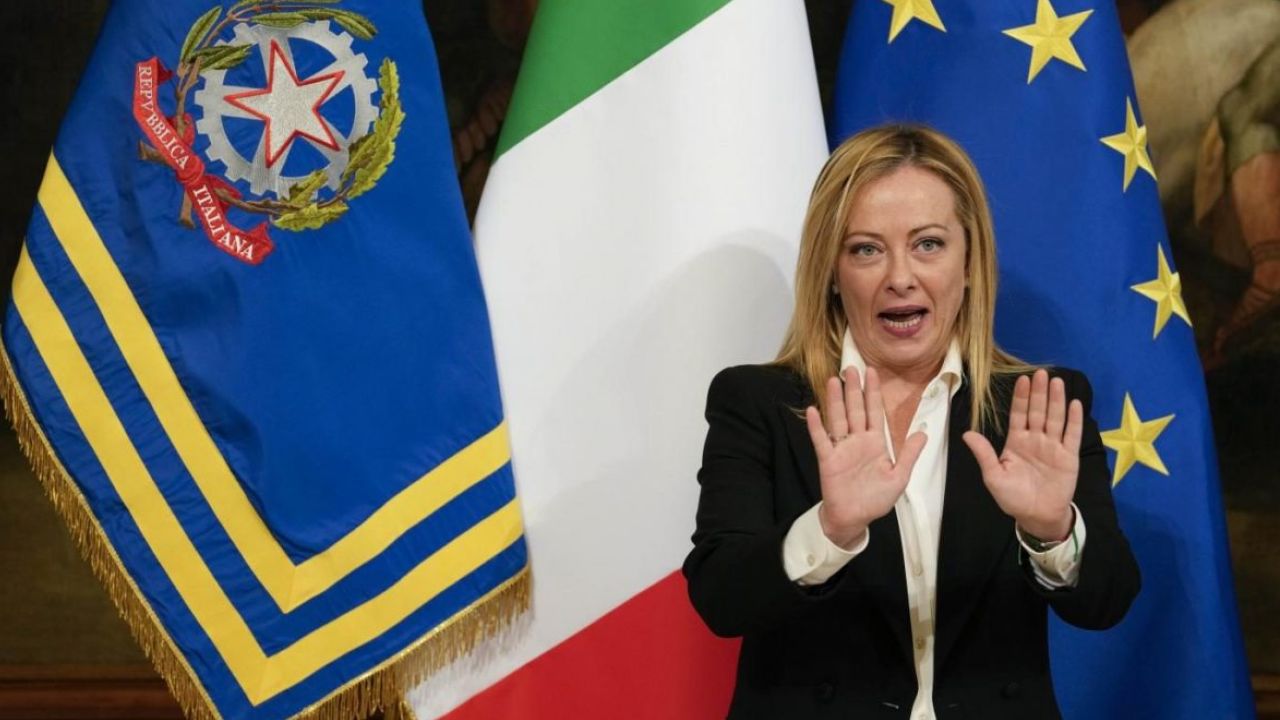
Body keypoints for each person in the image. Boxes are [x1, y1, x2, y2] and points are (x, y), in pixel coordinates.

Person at [683, 124, 1140, 719]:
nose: (900, 277)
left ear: (970, 262)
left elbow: (1107, 602)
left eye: (928, 244)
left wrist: (1052, 530)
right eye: (866, 249)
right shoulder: (757, 402)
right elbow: (721, 599)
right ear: (830, 271)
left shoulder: (1038, 405)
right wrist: (830, 529)